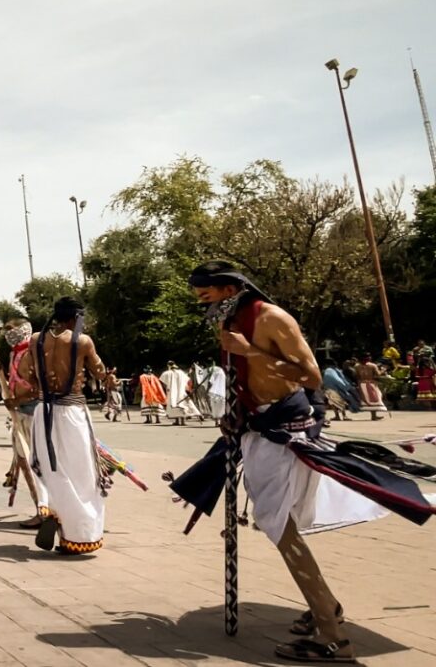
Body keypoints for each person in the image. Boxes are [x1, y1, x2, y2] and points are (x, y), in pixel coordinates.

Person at [176, 262, 436, 664]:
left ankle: (333, 636)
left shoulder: (272, 318)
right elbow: (244, 377)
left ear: (228, 289)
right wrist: (237, 412)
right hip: (257, 429)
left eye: (204, 290)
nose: (199, 298)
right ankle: (325, 608)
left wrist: (251, 351)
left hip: (286, 432)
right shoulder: (229, 322)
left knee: (279, 524)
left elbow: (311, 376)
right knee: (280, 521)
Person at [16, 297, 107, 555]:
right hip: (72, 413)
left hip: (44, 412)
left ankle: (55, 513)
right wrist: (106, 376)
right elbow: (100, 372)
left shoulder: (36, 339)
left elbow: (24, 372)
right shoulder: (83, 341)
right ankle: (78, 535)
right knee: (82, 474)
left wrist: (40, 381)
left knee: (53, 470)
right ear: (76, 317)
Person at [0, 321, 48, 526]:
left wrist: (17, 400)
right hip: (21, 415)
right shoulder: (15, 354)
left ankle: (45, 510)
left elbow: (41, 388)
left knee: (36, 464)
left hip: (34, 414)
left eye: (12, 330)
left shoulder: (32, 354)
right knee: (24, 463)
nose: (8, 334)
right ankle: (41, 509)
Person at [160, 362, 195, 426]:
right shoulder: (181, 372)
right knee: (182, 404)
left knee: (174, 404)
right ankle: (183, 421)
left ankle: (177, 421)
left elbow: (163, 382)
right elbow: (187, 381)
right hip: (181, 391)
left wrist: (167, 388)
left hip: (172, 392)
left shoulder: (167, 373)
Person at [355, 355, 388, 420]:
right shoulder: (372, 365)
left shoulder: (357, 366)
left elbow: (357, 376)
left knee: (368, 399)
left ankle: (374, 415)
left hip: (362, 384)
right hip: (371, 383)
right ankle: (373, 415)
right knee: (374, 398)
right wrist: (383, 370)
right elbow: (378, 374)